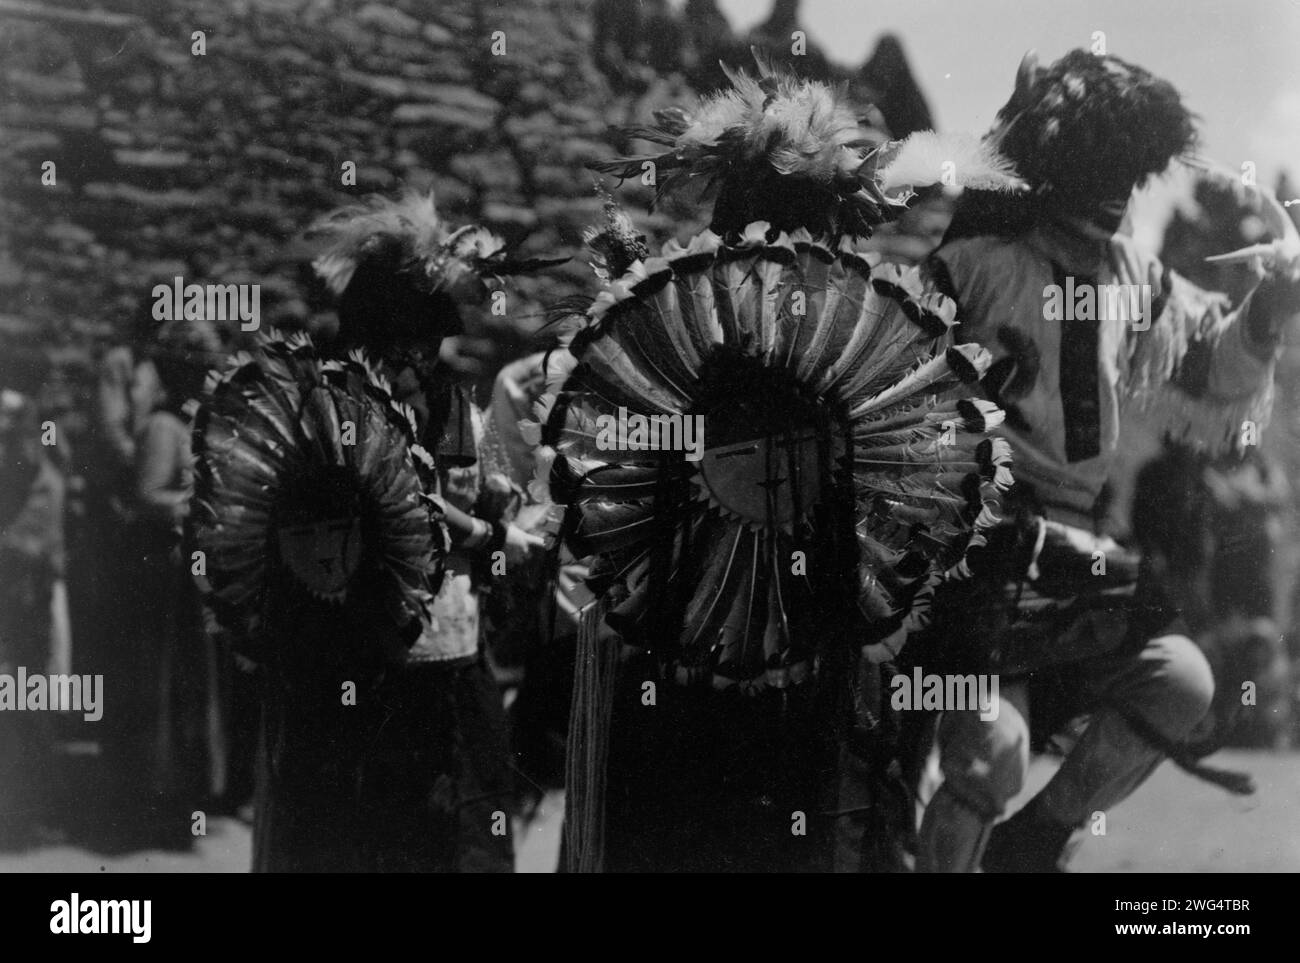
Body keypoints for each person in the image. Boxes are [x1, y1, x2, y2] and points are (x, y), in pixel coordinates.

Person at [911, 49, 1300, 872]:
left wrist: (1269, 305)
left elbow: (1214, 366)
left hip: (1079, 567)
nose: (1121, 192)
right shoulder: (972, 269)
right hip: (974, 562)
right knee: (993, 751)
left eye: (1132, 170)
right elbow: (887, 393)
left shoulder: (1136, 279)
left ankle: (1031, 846)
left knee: (1183, 682)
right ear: (1057, 165)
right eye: (1104, 167)